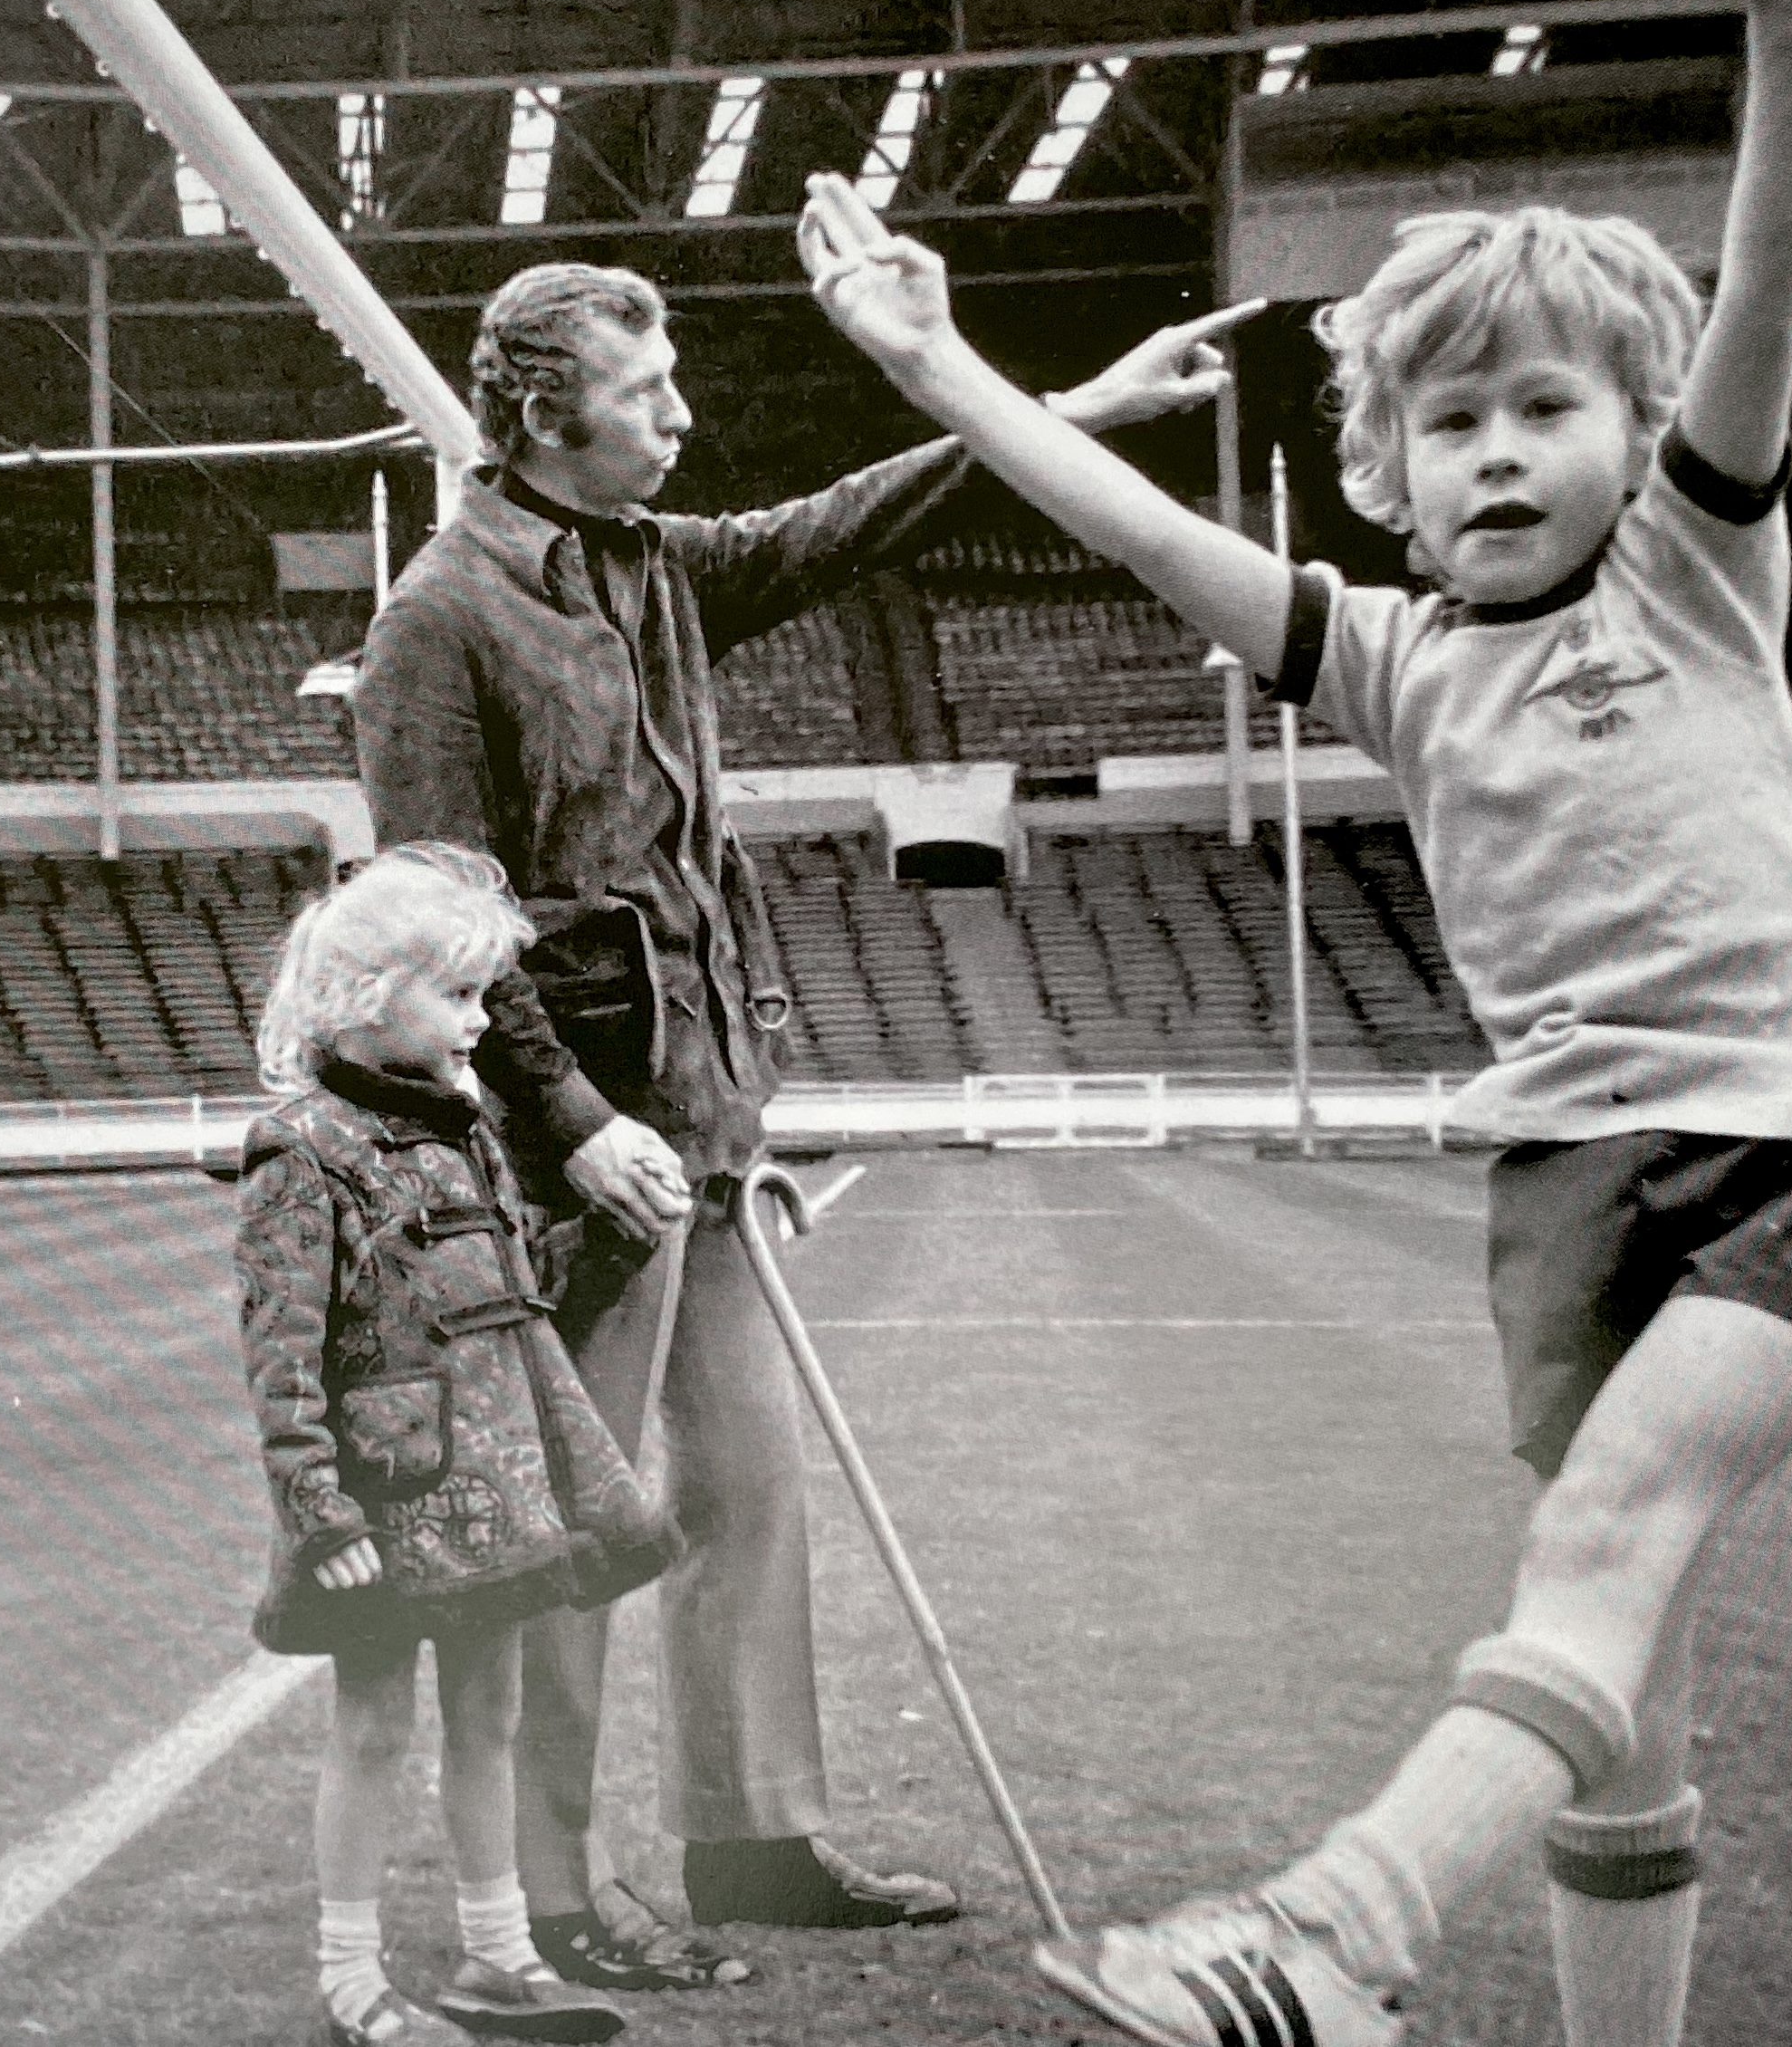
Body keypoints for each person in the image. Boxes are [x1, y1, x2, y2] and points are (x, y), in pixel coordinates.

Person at [797, 0, 1792, 2042]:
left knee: (1606, 1546)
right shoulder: (1391, 662)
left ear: (1637, 433)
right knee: (1623, 1704)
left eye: (1547, 406)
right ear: (1393, 483)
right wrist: (930, 355)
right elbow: (1128, 520)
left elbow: (1767, 301)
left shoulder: (1693, 581)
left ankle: (1336, 1932)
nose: (1502, 448)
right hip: (1573, 1182)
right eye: (1454, 425)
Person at [350, 261, 1249, 1990]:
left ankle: (753, 1844)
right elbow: (441, 912)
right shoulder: (439, 619)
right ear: (546, 414)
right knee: (582, 1531)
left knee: (750, 1485)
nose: (684, 415)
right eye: (649, 390)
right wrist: (573, 1113)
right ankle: (550, 1892)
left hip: (705, 1122)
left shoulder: (657, 568)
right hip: (577, 1154)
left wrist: (1065, 414)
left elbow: (847, 524)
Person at [236, 843, 670, 2047]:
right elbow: (281, 1358)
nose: (486, 1020)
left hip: (495, 1496)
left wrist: (622, 1236)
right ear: (373, 996)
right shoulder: (304, 1151)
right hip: (378, 1506)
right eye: (463, 995)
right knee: (374, 1727)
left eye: (486, 995)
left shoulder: (470, 1134)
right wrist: (320, 1514)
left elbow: (521, 1297)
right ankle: (348, 1979)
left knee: (488, 1719)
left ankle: (498, 1958)